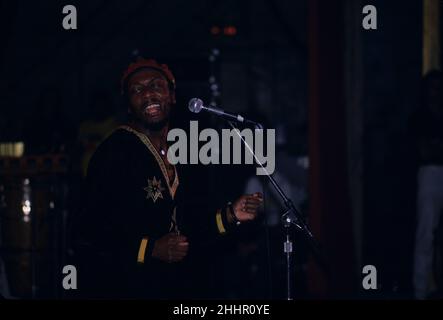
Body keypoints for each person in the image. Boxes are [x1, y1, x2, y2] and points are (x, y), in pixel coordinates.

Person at [74, 57, 263, 299]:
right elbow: (86, 233)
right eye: (137, 90)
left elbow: (189, 228)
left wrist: (230, 215)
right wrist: (150, 249)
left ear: (172, 96)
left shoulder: (182, 151)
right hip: (129, 287)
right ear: (129, 106)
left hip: (177, 287)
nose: (148, 94)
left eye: (156, 86)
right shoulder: (114, 153)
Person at [412, 70, 443, 299]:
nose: (436, 91)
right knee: (426, 233)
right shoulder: (420, 117)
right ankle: (421, 290)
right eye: (432, 87)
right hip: (429, 174)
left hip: (434, 170)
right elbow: (424, 150)